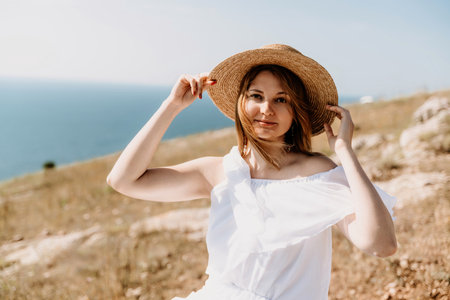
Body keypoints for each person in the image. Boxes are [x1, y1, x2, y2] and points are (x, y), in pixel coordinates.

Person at [106, 44, 397, 300]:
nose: (267, 109)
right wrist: (171, 107)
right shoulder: (220, 172)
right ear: (241, 104)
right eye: (256, 96)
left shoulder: (318, 172)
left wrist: (345, 152)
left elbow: (381, 244)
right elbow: (123, 181)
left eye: (281, 99)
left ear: (296, 111)